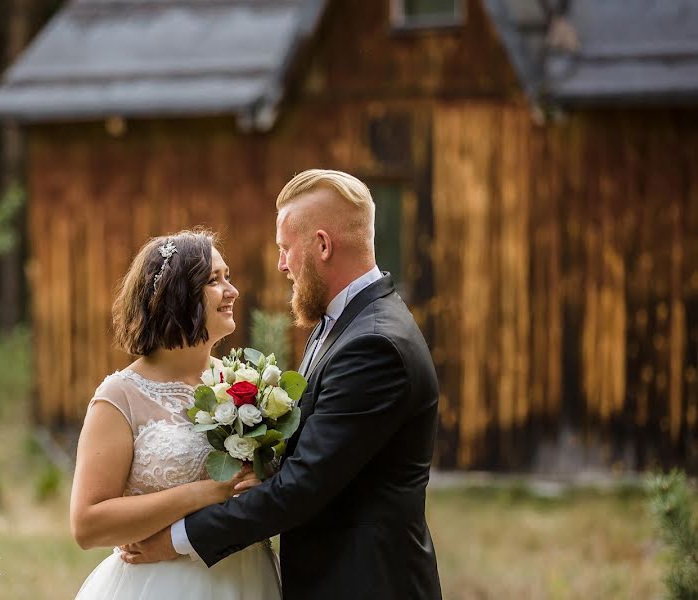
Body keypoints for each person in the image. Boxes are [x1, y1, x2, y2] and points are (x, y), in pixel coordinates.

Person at [120, 170, 443, 599]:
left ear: (323, 246)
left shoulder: (373, 344)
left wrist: (175, 540)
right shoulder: (345, 324)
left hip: (366, 583)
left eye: (285, 248)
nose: (281, 264)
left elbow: (302, 488)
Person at [70, 229, 282, 600]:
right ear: (177, 294)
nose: (231, 291)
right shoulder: (120, 396)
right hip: (162, 586)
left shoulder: (241, 382)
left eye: (227, 277)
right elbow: (88, 524)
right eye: (214, 280)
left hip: (249, 580)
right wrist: (203, 493)